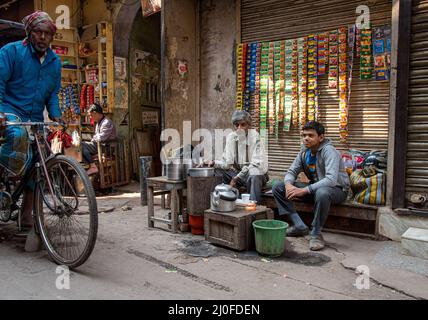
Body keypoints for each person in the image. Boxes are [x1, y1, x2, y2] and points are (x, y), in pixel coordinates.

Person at [0, 11, 62, 251]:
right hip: (10, 109)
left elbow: (53, 94)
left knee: (41, 159)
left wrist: (56, 114)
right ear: (29, 32)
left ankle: (28, 215)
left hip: (35, 116)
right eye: (38, 32)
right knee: (18, 136)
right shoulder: (10, 52)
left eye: (47, 33)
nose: (42, 37)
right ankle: (6, 177)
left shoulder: (54, 62)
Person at [272, 121, 350, 251]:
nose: (306, 138)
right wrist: (288, 184)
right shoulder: (304, 152)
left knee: (322, 192)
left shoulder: (329, 151)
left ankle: (316, 233)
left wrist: (304, 190)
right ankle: (299, 225)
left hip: (337, 190)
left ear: (321, 137)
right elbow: (291, 172)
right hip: (315, 188)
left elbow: (331, 180)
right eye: (304, 135)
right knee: (278, 186)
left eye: (310, 135)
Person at [205, 110, 268, 204]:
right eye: (236, 125)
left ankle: (254, 210)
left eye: (243, 124)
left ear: (249, 125)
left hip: (256, 175)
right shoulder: (231, 137)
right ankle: (227, 201)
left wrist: (236, 178)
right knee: (218, 171)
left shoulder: (255, 137)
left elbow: (255, 164)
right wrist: (213, 162)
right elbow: (227, 163)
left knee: (254, 175)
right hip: (240, 175)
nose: (239, 128)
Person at [81, 103, 117, 175]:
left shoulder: (107, 122)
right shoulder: (99, 123)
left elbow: (101, 138)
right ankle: (91, 166)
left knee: (81, 146)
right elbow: (97, 137)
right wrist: (93, 139)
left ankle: (92, 166)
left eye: (91, 115)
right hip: (100, 145)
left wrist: (93, 139)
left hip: (106, 147)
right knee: (81, 147)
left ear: (95, 113)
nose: (90, 117)